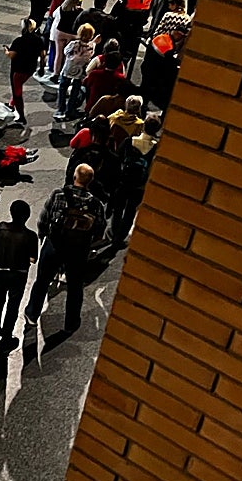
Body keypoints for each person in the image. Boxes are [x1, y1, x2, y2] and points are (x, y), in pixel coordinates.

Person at [24, 164, 106, 334]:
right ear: (90, 181)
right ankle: (71, 323)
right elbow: (99, 230)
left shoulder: (59, 194)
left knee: (42, 281)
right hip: (78, 250)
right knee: (75, 287)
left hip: (55, 245)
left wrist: (43, 236)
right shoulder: (95, 204)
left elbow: (44, 219)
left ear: (74, 177)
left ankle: (32, 314)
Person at [0, 200, 39, 352]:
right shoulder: (31, 236)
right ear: (27, 216)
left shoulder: (1, 227)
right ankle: (6, 339)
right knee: (12, 306)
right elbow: (33, 259)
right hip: (18, 275)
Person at [109, 113, 161, 247]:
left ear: (144, 125)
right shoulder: (155, 147)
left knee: (118, 208)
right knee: (130, 211)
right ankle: (119, 238)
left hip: (124, 180)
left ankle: (114, 232)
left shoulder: (130, 140)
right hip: (139, 186)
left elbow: (117, 158)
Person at [111, 0, 156, 72]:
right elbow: (114, 12)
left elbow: (151, 11)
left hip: (136, 31)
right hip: (123, 29)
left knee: (129, 56)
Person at [5, 18, 46, 125]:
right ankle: (11, 103)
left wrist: (6, 51)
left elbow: (12, 55)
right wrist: (41, 68)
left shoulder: (19, 41)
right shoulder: (39, 40)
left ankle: (21, 116)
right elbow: (43, 55)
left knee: (17, 91)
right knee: (19, 85)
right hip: (30, 68)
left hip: (18, 69)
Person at [55, 23, 96, 121]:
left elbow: (65, 51)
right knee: (75, 90)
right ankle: (70, 109)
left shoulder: (74, 44)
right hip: (81, 71)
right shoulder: (91, 47)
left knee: (63, 87)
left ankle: (61, 109)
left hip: (69, 68)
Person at [49, 0, 84, 80]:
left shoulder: (62, 8)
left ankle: (55, 74)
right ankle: (64, 74)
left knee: (58, 54)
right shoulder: (79, 11)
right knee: (68, 55)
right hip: (71, 34)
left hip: (60, 32)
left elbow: (53, 15)